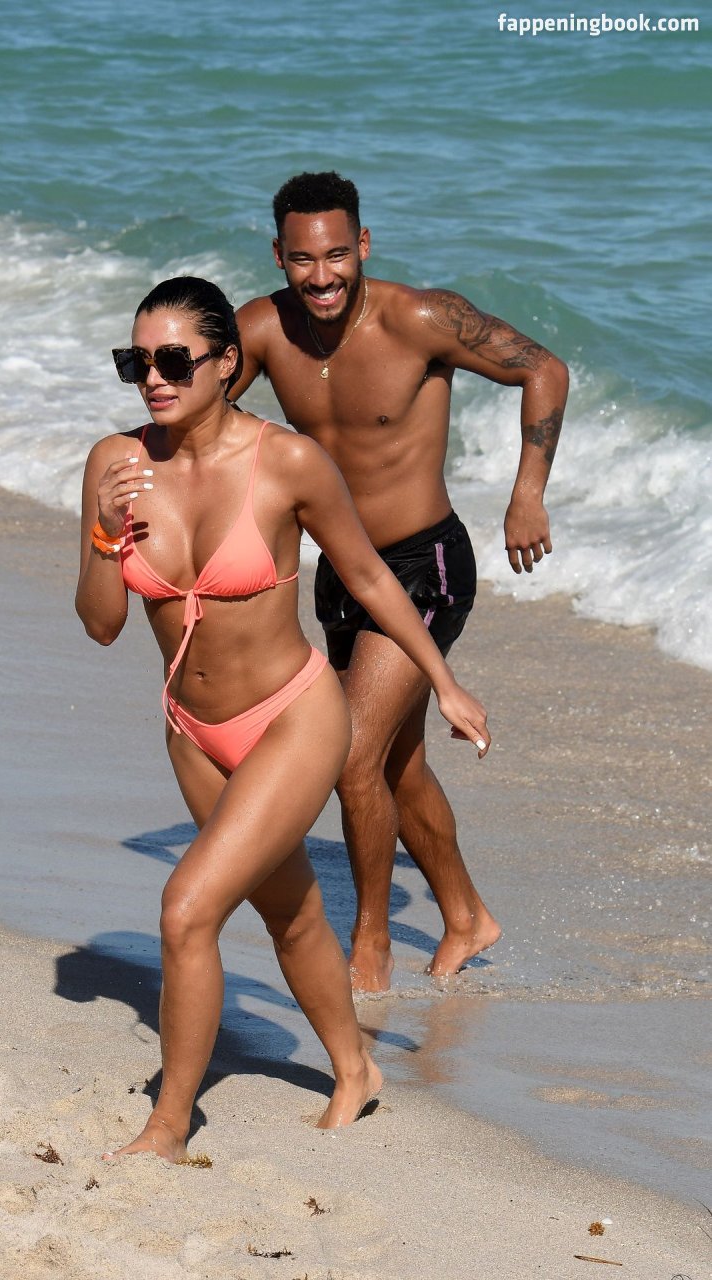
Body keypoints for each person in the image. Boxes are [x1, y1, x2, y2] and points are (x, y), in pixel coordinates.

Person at [75, 276, 490, 1161]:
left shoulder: (288, 461)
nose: (154, 379)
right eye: (135, 363)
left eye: (174, 360)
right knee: (290, 914)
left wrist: (444, 681)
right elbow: (102, 624)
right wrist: (108, 535)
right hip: (192, 730)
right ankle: (355, 1068)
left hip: (293, 717)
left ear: (227, 362)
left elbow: (370, 575)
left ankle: (168, 1125)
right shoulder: (116, 464)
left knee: (186, 907)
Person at [230, 171, 569, 989]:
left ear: (363, 245)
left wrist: (527, 494)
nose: (322, 277)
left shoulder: (420, 319)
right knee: (394, 765)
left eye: (337, 256)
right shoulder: (263, 331)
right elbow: (199, 412)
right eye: (303, 260)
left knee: (350, 756)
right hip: (340, 573)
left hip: (425, 566)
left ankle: (370, 943)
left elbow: (544, 370)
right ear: (278, 256)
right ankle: (466, 916)